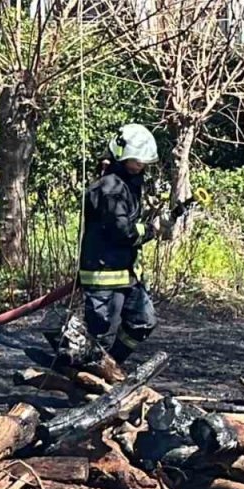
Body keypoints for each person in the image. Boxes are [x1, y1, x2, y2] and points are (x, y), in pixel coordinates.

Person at [75, 123, 165, 370]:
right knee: (100, 335)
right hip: (102, 274)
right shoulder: (109, 188)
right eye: (136, 161)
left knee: (143, 321)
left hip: (126, 274)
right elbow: (121, 231)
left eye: (143, 162)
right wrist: (151, 230)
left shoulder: (128, 183)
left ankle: (110, 366)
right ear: (122, 156)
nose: (141, 166)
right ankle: (86, 378)